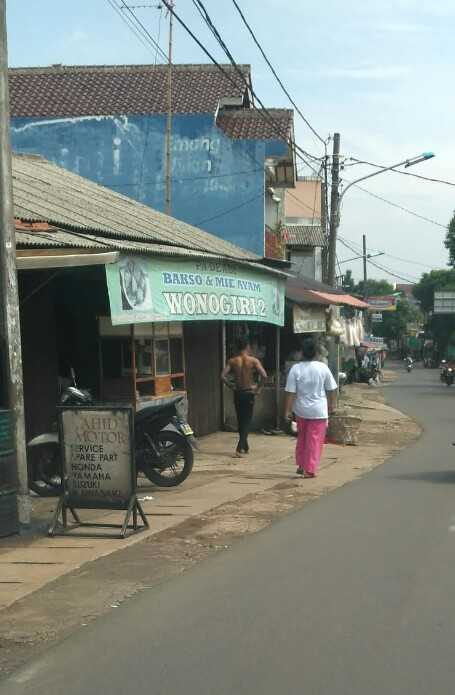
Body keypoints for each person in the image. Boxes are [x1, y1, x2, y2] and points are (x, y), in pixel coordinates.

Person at [284, 336, 337, 478]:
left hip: (301, 410)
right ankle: (310, 468)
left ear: (302, 352)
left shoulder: (296, 369)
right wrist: (332, 405)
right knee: (314, 440)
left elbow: (290, 392)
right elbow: (332, 388)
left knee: (302, 438)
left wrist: (287, 410)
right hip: (318, 411)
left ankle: (301, 464)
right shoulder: (322, 368)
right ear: (316, 353)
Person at [221, 338, 267, 458]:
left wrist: (231, 385)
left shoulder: (232, 361)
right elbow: (264, 375)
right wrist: (258, 388)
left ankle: (245, 445)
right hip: (248, 392)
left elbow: (222, 376)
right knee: (246, 420)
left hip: (238, 392)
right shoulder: (253, 360)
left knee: (241, 419)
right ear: (247, 347)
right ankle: (239, 446)